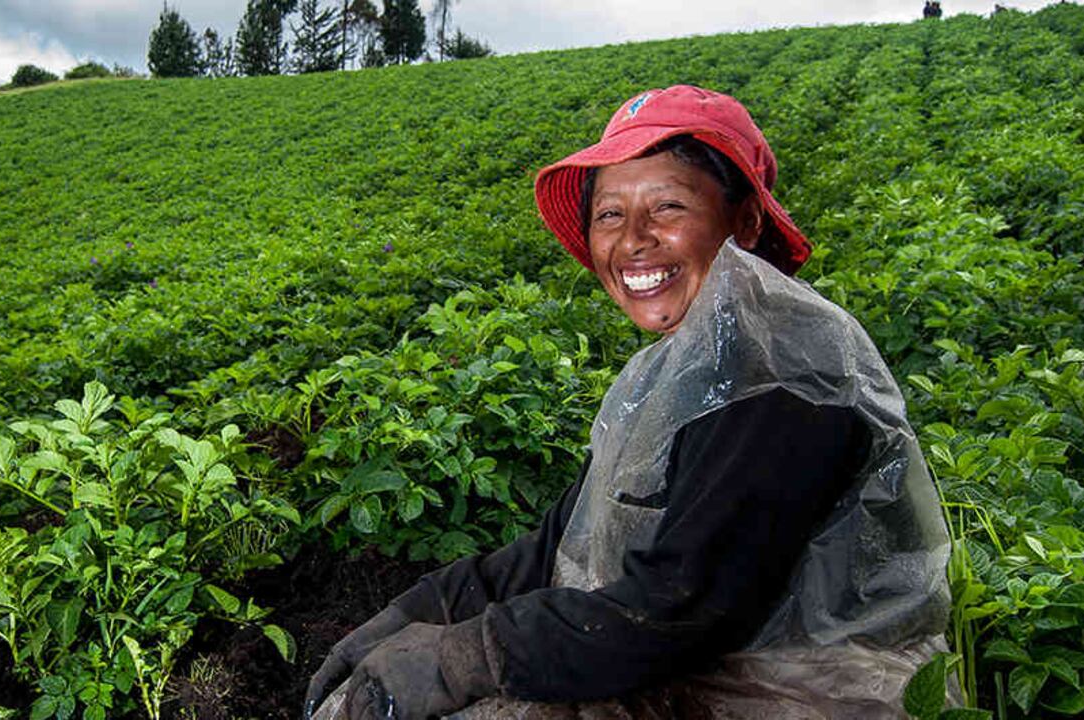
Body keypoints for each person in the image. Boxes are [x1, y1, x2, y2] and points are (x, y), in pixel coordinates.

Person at [304, 85, 952, 720]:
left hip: (818, 689)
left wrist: (461, 656)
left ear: (746, 222)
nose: (634, 238)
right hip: (716, 660)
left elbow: (676, 608)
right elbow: (560, 543)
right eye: (611, 214)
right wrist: (421, 610)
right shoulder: (671, 369)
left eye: (667, 207)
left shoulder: (789, 372)